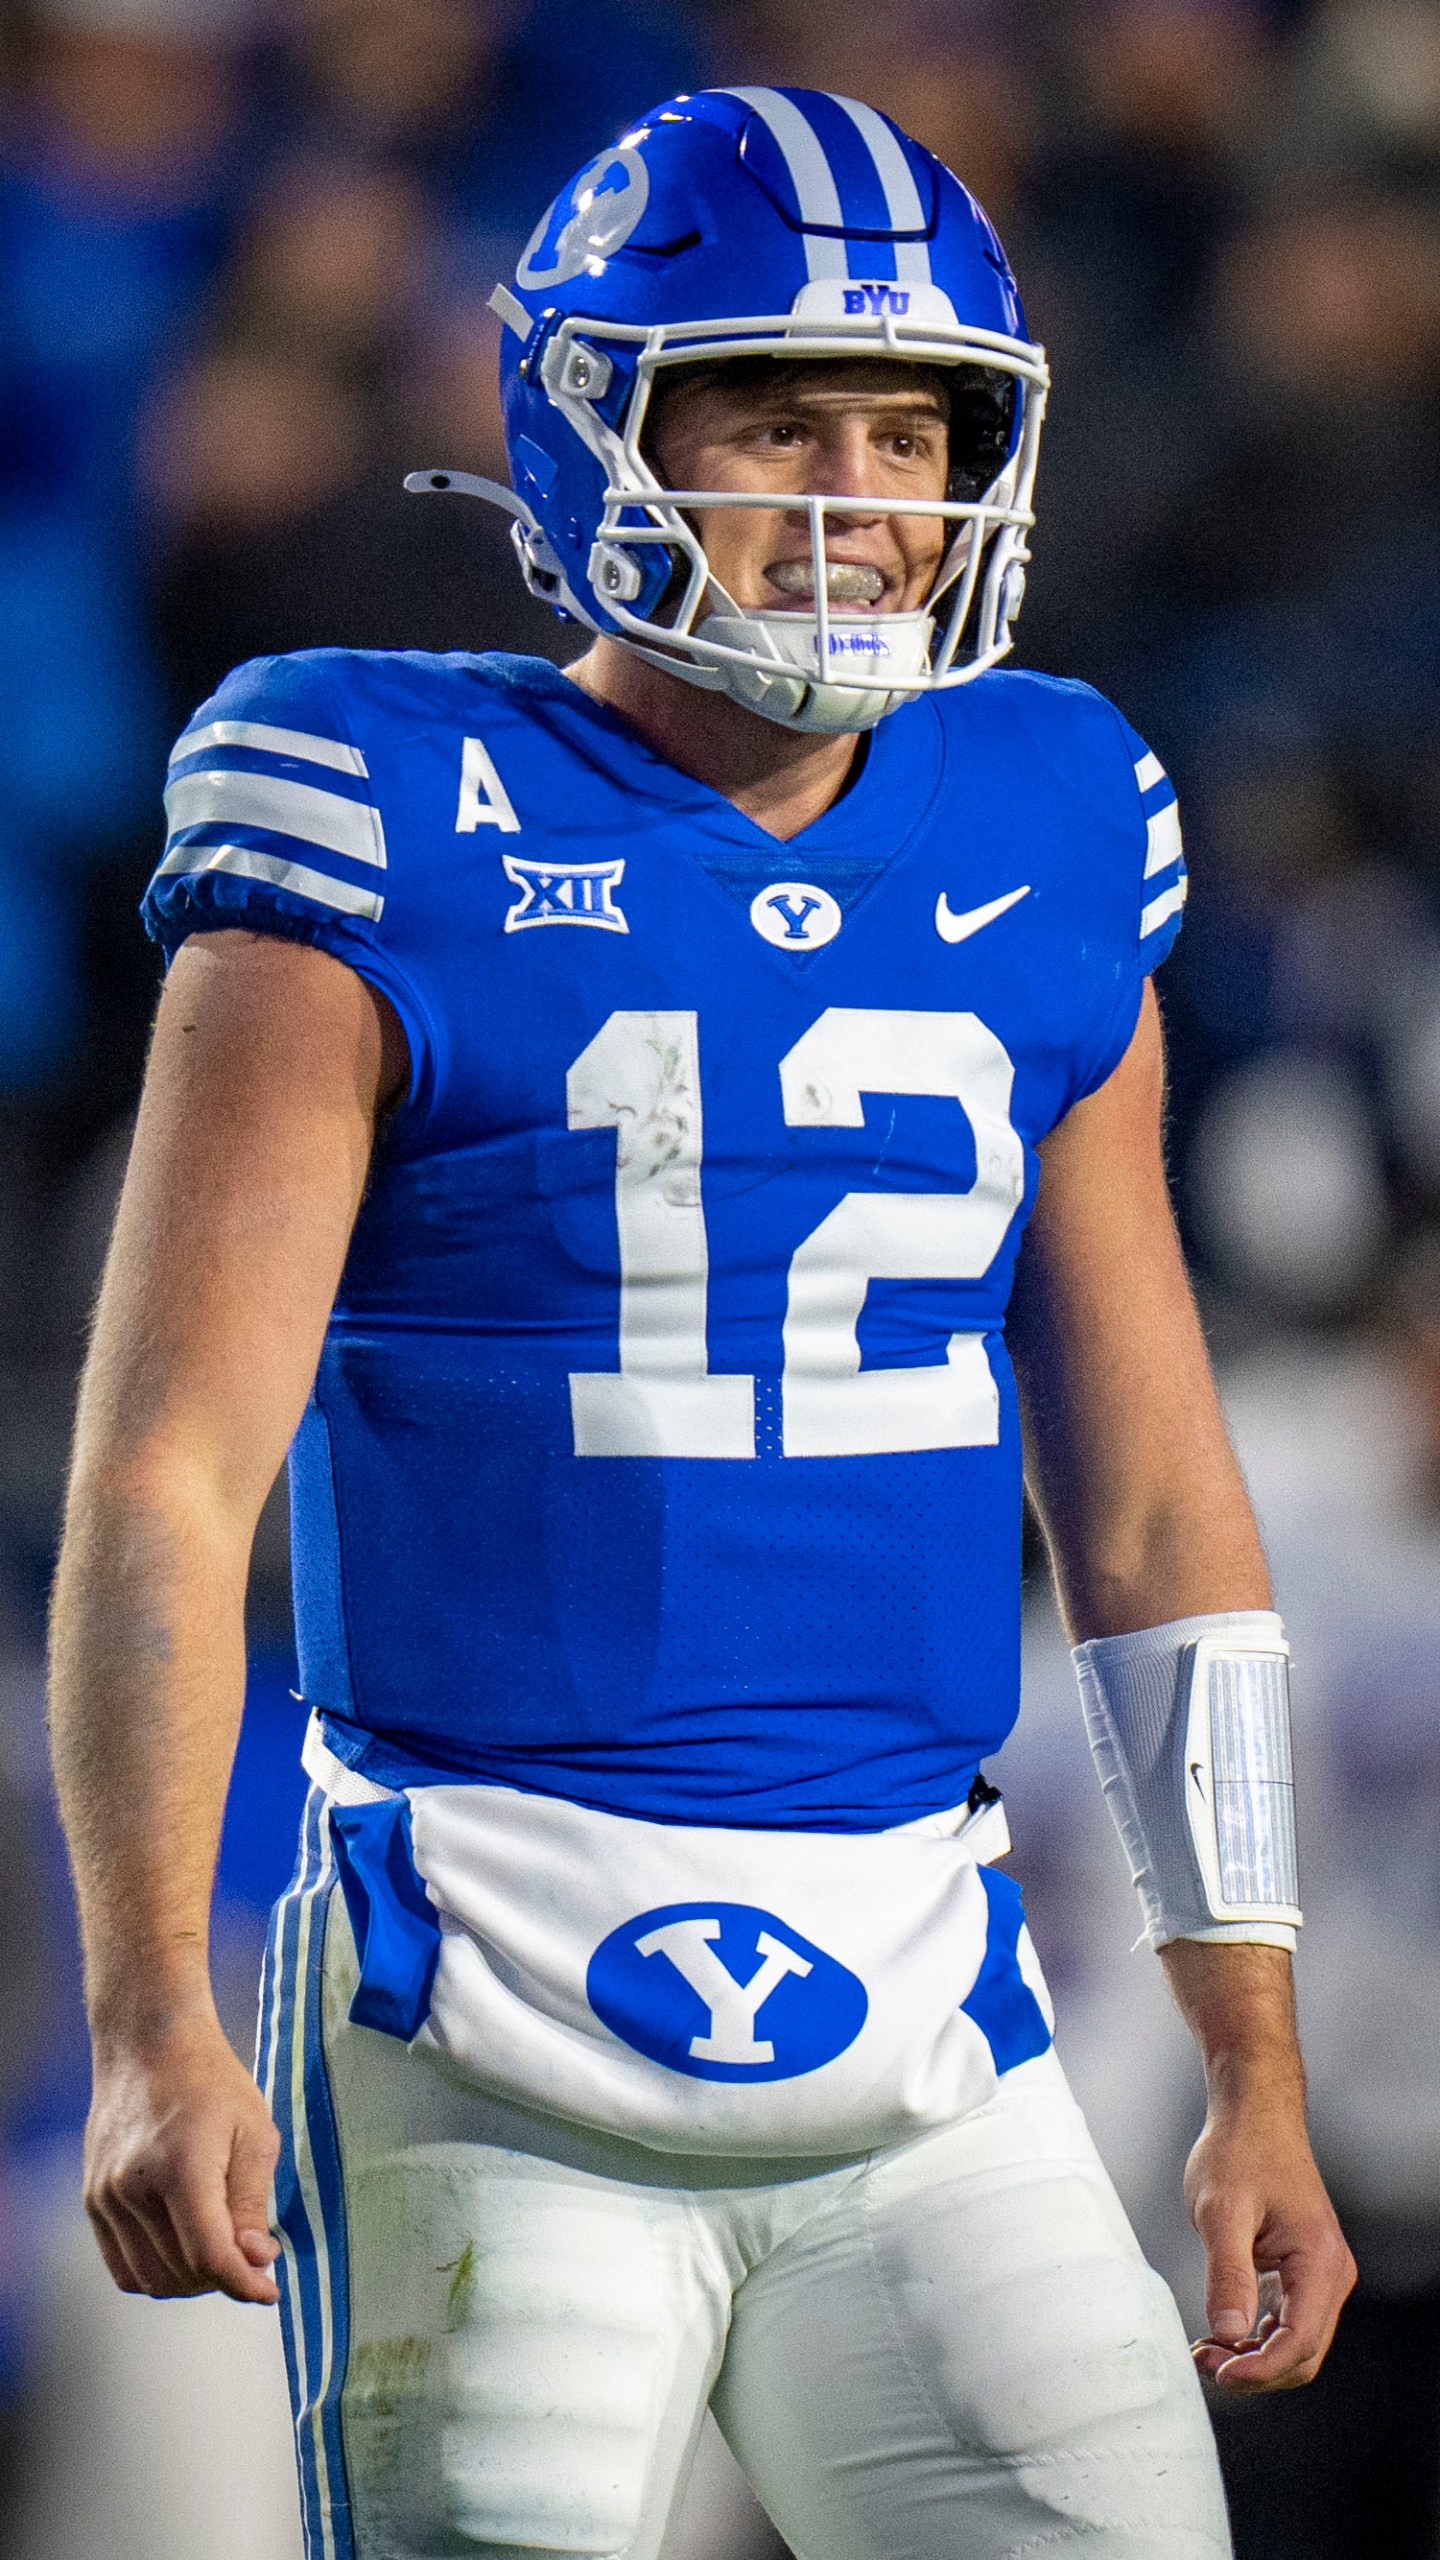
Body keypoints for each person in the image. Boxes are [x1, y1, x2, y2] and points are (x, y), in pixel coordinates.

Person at [49, 86, 1353, 2560]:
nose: (858, 488)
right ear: (593, 429)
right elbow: (166, 1476)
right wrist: (149, 2009)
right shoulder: (372, 803)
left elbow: (1161, 1491)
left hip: (929, 1998)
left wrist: (1243, 2046)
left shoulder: (1052, 806)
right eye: (772, 413)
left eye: (910, 425)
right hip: (480, 1997)